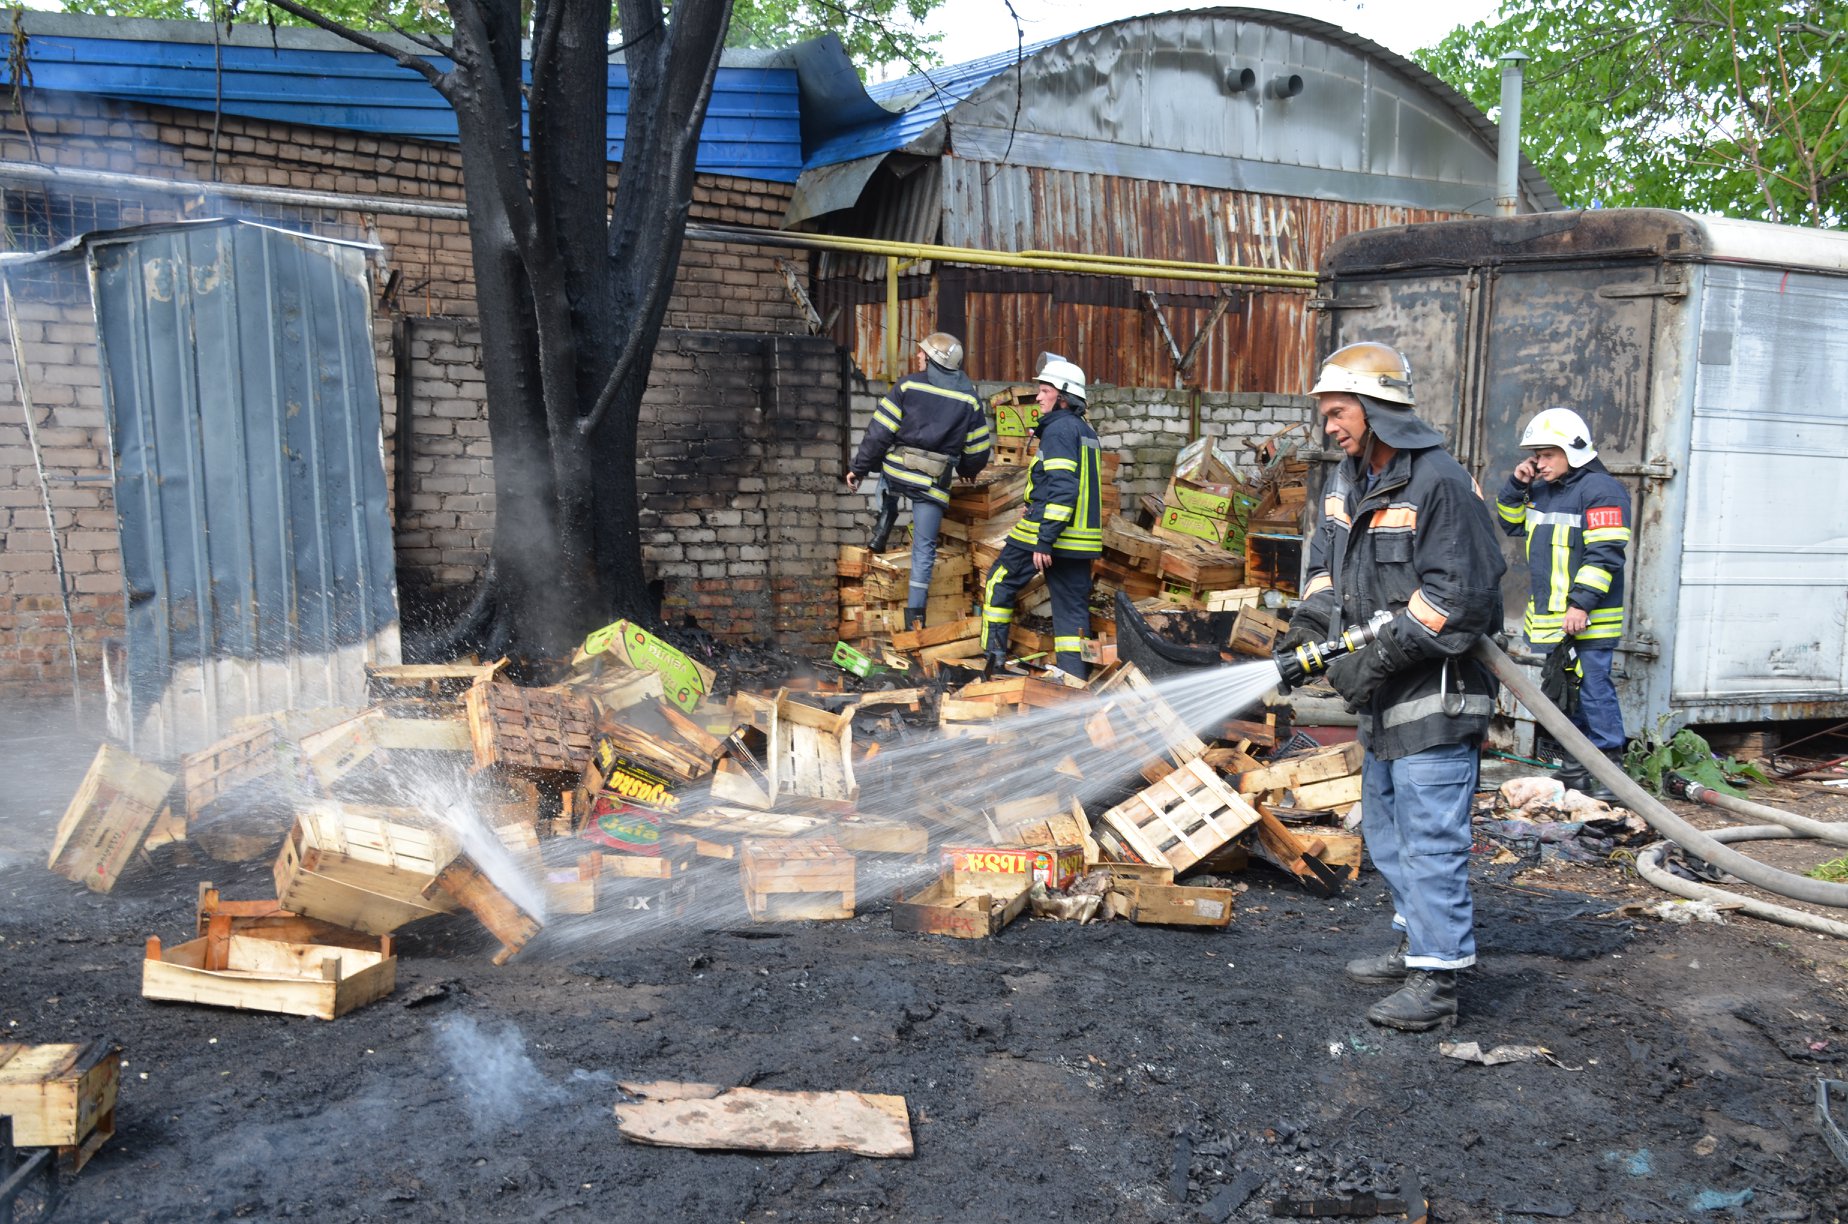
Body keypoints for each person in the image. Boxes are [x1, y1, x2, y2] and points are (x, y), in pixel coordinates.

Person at [1280, 341, 1506, 1032]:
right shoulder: (1347, 481)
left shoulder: (1437, 482)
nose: (1329, 423)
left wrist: (1372, 660)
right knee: (1386, 833)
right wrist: (1306, 636)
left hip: (1435, 693)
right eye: (1324, 410)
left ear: (1378, 409)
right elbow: (1326, 571)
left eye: (1339, 409)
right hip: (1383, 699)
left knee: (1432, 839)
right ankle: (1418, 945)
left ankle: (1438, 983)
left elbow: (1459, 599)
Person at [1494, 408, 1632, 801]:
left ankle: (1610, 774)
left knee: (1594, 691)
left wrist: (1581, 605)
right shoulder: (1541, 489)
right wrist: (1515, 485)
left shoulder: (1602, 491)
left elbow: (1605, 554)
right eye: (1536, 455)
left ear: (1574, 450)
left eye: (1547, 454)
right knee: (1564, 695)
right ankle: (1576, 772)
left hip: (1587, 619)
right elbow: (1511, 523)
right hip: (1555, 621)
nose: (1539, 462)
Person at [845, 332, 993, 630]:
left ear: (935, 360)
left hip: (899, 471)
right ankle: (916, 618)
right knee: (923, 549)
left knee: (887, 481)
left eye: (923, 353)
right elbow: (978, 450)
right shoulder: (969, 397)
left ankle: (885, 521)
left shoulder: (908, 385)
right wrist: (967, 469)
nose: (918, 356)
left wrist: (859, 468)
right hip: (933, 482)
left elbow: (880, 432)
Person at [980, 356, 1102, 680]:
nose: (1038, 396)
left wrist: (1045, 537)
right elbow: (1069, 486)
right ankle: (1074, 682)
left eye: (1044, 389)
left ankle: (992, 664)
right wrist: (1035, 502)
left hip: (1045, 536)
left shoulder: (1059, 430)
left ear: (1063, 395)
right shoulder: (1085, 431)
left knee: (998, 583)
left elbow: (1064, 489)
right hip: (1079, 541)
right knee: (1071, 613)